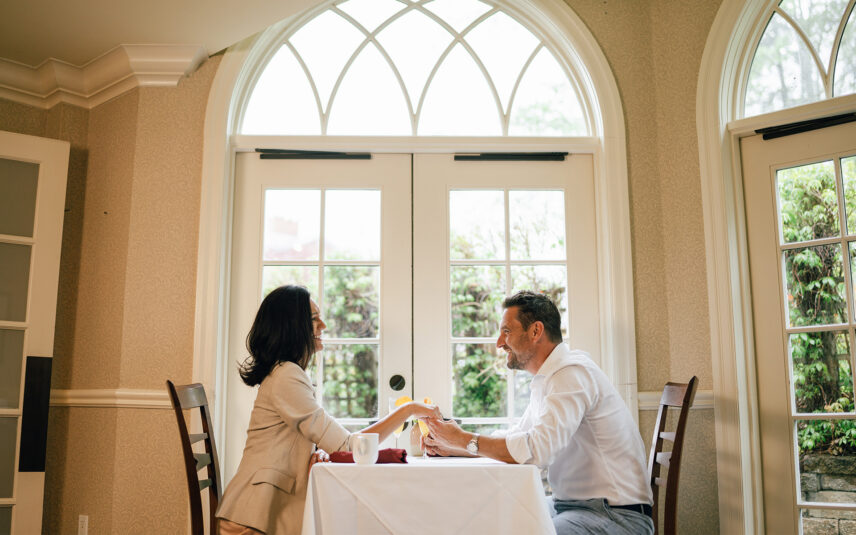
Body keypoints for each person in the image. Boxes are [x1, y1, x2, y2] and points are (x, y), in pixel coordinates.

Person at [423, 290, 654, 535]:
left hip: (616, 517)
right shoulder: (547, 380)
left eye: (507, 331)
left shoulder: (571, 374)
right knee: (490, 519)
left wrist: (463, 440)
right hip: (573, 507)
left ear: (535, 331)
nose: (499, 343)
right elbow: (517, 439)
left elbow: (538, 450)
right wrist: (455, 447)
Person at [217, 285, 439, 535]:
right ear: (292, 326)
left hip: (261, 513)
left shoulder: (285, 373)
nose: (323, 326)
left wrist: (317, 450)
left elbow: (312, 440)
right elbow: (349, 446)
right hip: (252, 522)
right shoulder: (287, 376)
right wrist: (408, 409)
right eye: (314, 319)